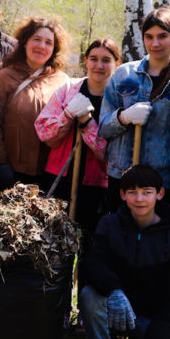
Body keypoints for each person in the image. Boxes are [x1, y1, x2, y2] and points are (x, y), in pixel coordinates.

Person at [78, 164, 170, 339]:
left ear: (160, 194)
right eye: (132, 192)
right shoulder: (109, 224)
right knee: (89, 295)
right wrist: (114, 290)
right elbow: (92, 263)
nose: (139, 199)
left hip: (151, 320)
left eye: (147, 192)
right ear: (122, 194)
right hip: (115, 309)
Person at [99, 7, 170, 211]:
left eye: (162, 36)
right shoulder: (124, 75)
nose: (155, 43)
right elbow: (103, 129)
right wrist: (124, 118)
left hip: (160, 182)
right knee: (121, 238)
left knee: (154, 240)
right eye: (149, 37)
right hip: (122, 177)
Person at [34, 38, 120, 235]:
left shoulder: (118, 100)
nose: (99, 65)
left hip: (97, 186)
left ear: (117, 63)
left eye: (106, 60)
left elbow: (109, 154)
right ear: (86, 61)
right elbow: (44, 132)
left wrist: (87, 123)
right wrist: (67, 115)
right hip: (60, 178)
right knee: (54, 241)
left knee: (88, 241)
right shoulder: (67, 91)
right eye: (93, 59)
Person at [0, 16, 71, 191]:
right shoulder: (5, 77)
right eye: (37, 39)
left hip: (49, 173)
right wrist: (1, 164)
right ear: (25, 42)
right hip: (12, 171)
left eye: (48, 42)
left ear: (54, 49)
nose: (42, 46)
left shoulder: (62, 81)